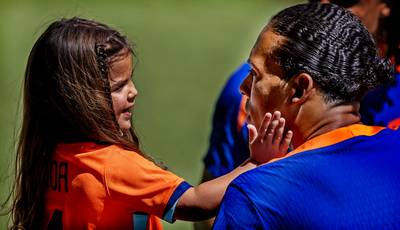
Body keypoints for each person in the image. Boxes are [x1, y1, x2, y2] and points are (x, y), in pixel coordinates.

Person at [7, 17, 293, 229]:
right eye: (119, 86)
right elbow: (195, 203)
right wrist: (256, 163)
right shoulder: (112, 165)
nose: (133, 92)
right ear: (77, 97)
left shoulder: (52, 154)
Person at [197, 1, 399, 228]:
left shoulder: (256, 198)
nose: (243, 87)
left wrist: (260, 172)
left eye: (255, 74)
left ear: (300, 89)